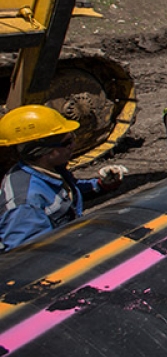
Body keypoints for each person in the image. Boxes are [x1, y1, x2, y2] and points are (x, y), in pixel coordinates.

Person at [0, 105, 126, 252]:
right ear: (46, 152)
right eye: (67, 142)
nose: (74, 145)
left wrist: (100, 184)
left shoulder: (49, 170)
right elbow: (31, 258)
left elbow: (64, 194)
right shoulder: (26, 203)